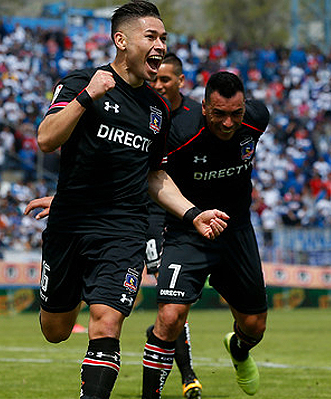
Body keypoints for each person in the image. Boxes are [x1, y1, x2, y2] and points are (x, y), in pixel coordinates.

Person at [23, 2, 228, 398]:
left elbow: (155, 177)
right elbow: (46, 139)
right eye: (151, 37)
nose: (159, 45)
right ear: (121, 41)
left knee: (106, 323)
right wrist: (86, 98)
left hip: (123, 230)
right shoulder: (80, 83)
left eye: (163, 38)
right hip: (69, 227)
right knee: (55, 331)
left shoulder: (156, 109)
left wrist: (193, 213)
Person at [142, 71, 271, 398]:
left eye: (235, 114)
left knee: (255, 327)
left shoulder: (257, 119)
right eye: (219, 114)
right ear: (203, 107)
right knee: (170, 317)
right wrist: (191, 214)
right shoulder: (178, 133)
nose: (228, 123)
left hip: (236, 232)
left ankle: (239, 350)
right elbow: (152, 178)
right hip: (188, 232)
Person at [145, 53, 203, 399]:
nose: (158, 85)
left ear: (181, 80)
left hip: (186, 214)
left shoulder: (198, 116)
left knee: (173, 305)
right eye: (155, 79)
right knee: (169, 302)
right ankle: (187, 373)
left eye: (166, 79)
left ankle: (184, 370)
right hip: (150, 216)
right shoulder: (144, 111)